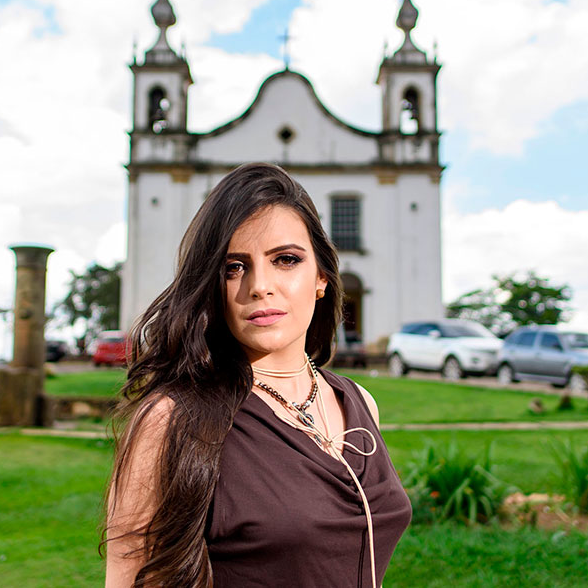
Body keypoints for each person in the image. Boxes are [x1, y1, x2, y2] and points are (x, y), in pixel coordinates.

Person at [103, 162, 411, 587]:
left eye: (286, 260)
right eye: (234, 267)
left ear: (321, 277)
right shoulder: (171, 419)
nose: (259, 286)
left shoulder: (359, 402)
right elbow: (130, 576)